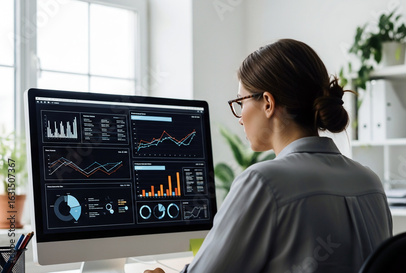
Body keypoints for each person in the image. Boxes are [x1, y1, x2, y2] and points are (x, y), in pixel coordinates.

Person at [145, 38, 392, 273]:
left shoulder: (263, 182)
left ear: (267, 103)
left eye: (241, 102)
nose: (240, 118)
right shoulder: (370, 181)